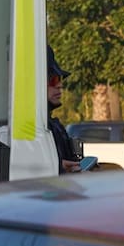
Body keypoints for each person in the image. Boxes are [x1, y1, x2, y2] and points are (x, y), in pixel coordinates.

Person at [47, 46, 82, 174]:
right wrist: (56, 168)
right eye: (53, 80)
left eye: (59, 79)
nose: (60, 85)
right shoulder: (33, 128)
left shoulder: (51, 124)